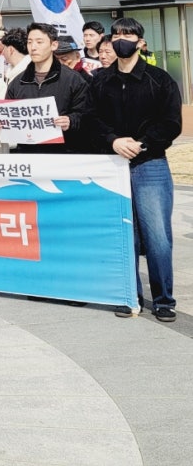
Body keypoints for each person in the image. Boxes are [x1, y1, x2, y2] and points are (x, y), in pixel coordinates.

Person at [86, 17, 182, 321]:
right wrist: (113, 141)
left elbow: (171, 123)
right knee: (123, 233)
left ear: (140, 42)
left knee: (157, 236)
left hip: (150, 164)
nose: (121, 40)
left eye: (127, 35)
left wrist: (142, 144)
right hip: (112, 165)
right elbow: (90, 119)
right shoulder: (100, 80)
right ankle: (129, 295)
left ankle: (163, 299)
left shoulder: (160, 79)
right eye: (116, 35)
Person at [0, 22, 90, 154]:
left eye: (39, 42)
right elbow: (9, 117)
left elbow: (87, 116)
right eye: (30, 42)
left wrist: (70, 121)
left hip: (63, 155)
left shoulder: (73, 80)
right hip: (27, 155)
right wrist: (1, 123)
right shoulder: (18, 82)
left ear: (54, 45)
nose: (33, 47)